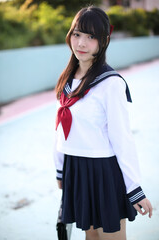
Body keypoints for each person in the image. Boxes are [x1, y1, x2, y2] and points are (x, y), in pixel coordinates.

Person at [53, 5, 153, 240]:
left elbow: (122, 138)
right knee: (91, 237)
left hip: (104, 171)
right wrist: (60, 170)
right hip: (76, 168)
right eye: (77, 34)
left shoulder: (110, 84)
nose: (81, 43)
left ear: (104, 40)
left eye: (91, 37)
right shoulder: (68, 79)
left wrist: (134, 189)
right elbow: (60, 129)